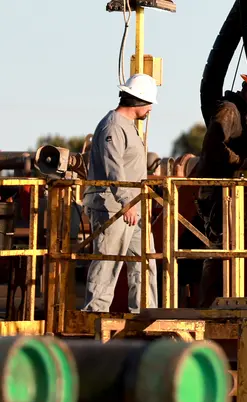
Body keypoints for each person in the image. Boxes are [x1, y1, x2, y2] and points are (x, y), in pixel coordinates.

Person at [192, 67, 247, 307]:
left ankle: (226, 300)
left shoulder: (242, 112)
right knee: (220, 251)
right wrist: (242, 162)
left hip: (228, 192)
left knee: (229, 249)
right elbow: (212, 148)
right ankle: (209, 306)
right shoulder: (229, 111)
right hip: (217, 192)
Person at [82, 74, 159, 313]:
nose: (150, 110)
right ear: (139, 101)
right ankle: (95, 317)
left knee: (145, 264)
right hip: (113, 208)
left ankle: (145, 316)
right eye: (149, 103)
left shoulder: (127, 127)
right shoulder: (113, 126)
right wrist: (126, 201)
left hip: (132, 208)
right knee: (107, 264)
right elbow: (113, 166)